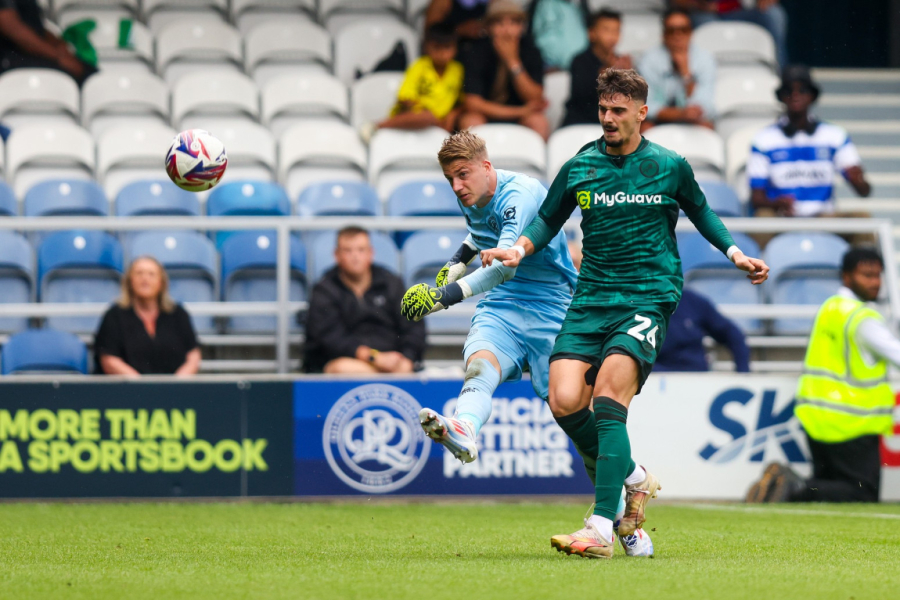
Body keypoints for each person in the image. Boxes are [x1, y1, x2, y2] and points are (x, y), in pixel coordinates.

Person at [480, 68, 769, 558]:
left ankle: (598, 527)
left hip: (647, 296)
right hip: (591, 296)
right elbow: (549, 217)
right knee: (564, 399)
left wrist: (734, 253)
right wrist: (519, 249)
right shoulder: (581, 165)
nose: (608, 119)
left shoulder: (669, 165)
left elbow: (701, 211)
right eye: (603, 110)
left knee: (609, 397)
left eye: (618, 110)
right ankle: (634, 478)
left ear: (641, 113)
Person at [400, 130, 654, 557]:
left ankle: (627, 506)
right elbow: (478, 233)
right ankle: (464, 429)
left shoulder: (521, 196)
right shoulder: (473, 194)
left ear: (486, 167)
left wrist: (443, 296)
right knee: (480, 366)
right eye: (450, 179)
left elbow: (504, 267)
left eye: (463, 175)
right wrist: (453, 264)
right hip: (502, 308)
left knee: (575, 417)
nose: (457, 186)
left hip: (554, 308)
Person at [746, 248, 895, 504]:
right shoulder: (862, 318)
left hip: (816, 416)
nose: (875, 282)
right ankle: (794, 486)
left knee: (828, 491)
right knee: (862, 492)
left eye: (877, 275)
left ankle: (789, 485)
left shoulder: (829, 308)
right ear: (846, 277)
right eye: (867, 275)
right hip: (851, 421)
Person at [748, 65, 871, 219]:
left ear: (812, 95)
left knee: (863, 219)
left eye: (803, 90)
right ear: (781, 97)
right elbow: (756, 198)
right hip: (782, 218)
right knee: (763, 217)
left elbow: (864, 191)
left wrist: (857, 180)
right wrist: (776, 204)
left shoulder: (834, 136)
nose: (795, 95)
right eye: (788, 91)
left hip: (824, 217)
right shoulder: (764, 139)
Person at [303, 226, 425, 374]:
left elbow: (414, 327)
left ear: (371, 253)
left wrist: (406, 358)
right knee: (345, 369)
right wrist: (373, 358)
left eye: (361, 250)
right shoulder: (324, 289)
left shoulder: (391, 283)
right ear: (336, 255)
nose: (355, 256)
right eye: (348, 250)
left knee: (405, 367)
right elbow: (330, 339)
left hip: (393, 363)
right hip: (346, 362)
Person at [458, 0, 550, 140]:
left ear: (521, 27)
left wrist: (512, 61)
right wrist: (519, 111)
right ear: (488, 28)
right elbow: (472, 103)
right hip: (488, 114)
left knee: (539, 122)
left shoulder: (531, 50)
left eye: (513, 23)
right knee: (470, 121)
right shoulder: (475, 51)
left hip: (521, 117)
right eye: (499, 23)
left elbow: (535, 97)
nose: (507, 30)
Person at [94, 257, 201, 376]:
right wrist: (140, 385)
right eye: (139, 273)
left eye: (151, 274)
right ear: (130, 281)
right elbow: (108, 360)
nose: (145, 278)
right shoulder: (114, 316)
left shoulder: (178, 314)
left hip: (174, 390)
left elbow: (193, 356)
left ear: (161, 282)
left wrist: (176, 384)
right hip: (128, 390)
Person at [370, 25, 463, 136]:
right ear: (427, 47)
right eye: (437, 47)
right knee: (427, 117)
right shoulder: (419, 66)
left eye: (447, 47)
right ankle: (376, 127)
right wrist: (429, 114)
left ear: (455, 48)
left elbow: (462, 101)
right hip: (413, 115)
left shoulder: (458, 70)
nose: (442, 53)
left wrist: (452, 115)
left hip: (441, 123)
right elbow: (404, 98)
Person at [637, 8, 716, 129]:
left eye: (683, 30)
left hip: (692, 120)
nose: (677, 36)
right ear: (663, 35)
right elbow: (647, 105)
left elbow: (705, 105)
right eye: (671, 31)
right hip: (660, 120)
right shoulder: (649, 59)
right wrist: (681, 114)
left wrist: (686, 74)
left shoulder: (704, 59)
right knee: (643, 127)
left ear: (691, 33)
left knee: (707, 127)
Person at [562, 8, 633, 127]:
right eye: (606, 30)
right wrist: (606, 73)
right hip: (580, 122)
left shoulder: (620, 62)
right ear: (591, 33)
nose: (612, 36)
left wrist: (630, 77)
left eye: (616, 30)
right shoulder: (580, 60)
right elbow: (582, 99)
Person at [655, 288, 750, 373]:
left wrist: (743, 373)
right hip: (654, 381)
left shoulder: (692, 302)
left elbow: (732, 334)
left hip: (697, 378)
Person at [0, 0, 96, 84]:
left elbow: (35, 27)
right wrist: (58, 56)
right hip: (10, 60)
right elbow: (9, 25)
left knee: (90, 72)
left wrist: (59, 44)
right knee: (87, 76)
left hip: (30, 56)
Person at [671, 0, 788, 67]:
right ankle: (703, 76)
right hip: (705, 12)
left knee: (774, 15)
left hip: (744, 11)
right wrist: (698, 5)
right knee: (706, 24)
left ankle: (779, 74)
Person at [425, 0, 490, 46]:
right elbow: (430, 32)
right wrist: (460, 30)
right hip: (450, 57)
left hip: (485, 56)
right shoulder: (442, 2)